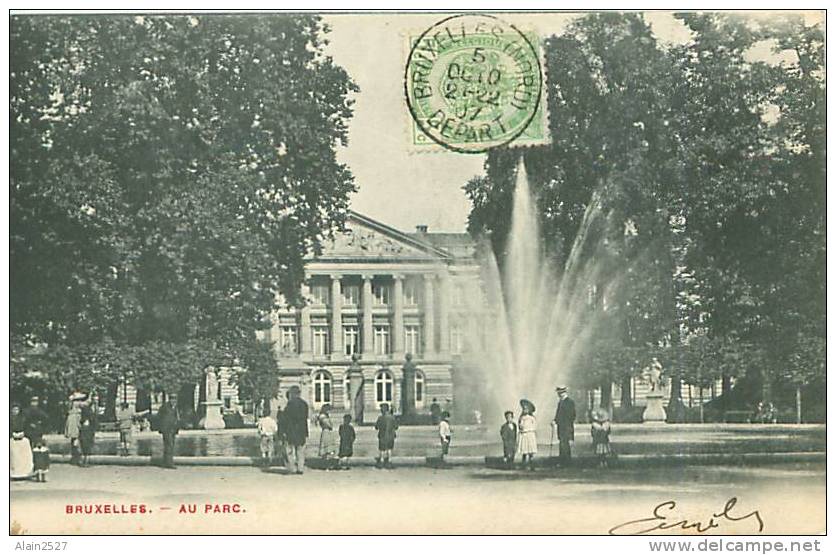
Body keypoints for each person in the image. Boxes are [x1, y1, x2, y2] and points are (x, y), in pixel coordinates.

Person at [283, 385, 309, 475]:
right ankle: (300, 468)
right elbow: (305, 419)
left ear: (292, 394)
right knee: (300, 450)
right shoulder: (304, 404)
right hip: (301, 431)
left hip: (291, 431)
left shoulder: (289, 405)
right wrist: (306, 432)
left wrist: (283, 431)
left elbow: (285, 419)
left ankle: (292, 468)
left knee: (290, 450)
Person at [553, 386, 576, 466]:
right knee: (562, 443)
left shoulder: (570, 402)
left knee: (565, 443)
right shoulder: (560, 402)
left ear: (563, 393)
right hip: (561, 426)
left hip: (567, 426)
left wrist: (565, 422)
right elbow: (558, 414)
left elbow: (572, 415)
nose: (559, 395)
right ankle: (563, 460)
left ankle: (566, 461)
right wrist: (555, 421)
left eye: (560, 393)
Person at [156, 395, 180, 469]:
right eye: (173, 399)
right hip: (166, 429)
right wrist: (161, 428)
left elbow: (176, 418)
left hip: (172, 429)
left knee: (169, 446)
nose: (174, 401)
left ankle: (166, 462)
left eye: (175, 400)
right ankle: (169, 463)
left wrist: (177, 428)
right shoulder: (165, 407)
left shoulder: (175, 407)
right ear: (170, 399)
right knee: (169, 445)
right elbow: (159, 417)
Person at [374, 403, 398, 469]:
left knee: (382, 449)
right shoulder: (392, 417)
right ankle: (389, 461)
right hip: (390, 436)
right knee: (389, 449)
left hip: (382, 435)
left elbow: (376, 427)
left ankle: (381, 462)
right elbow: (396, 427)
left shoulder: (380, 418)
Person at [64, 393, 85, 465]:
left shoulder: (70, 405)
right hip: (74, 422)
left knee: (73, 440)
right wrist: (91, 396)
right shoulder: (76, 404)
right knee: (76, 439)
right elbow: (86, 404)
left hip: (71, 422)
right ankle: (79, 458)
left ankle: (74, 458)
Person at [517, 399, 537, 471]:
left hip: (530, 434)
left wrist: (531, 430)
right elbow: (520, 425)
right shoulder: (522, 418)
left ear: (529, 410)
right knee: (524, 450)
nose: (525, 410)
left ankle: (532, 464)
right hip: (524, 434)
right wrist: (521, 427)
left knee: (530, 450)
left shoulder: (532, 418)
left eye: (526, 409)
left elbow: (534, 426)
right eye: (524, 409)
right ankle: (523, 464)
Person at [317, 404, 338, 470]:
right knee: (327, 449)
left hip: (328, 432)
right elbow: (329, 425)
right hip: (326, 432)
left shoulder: (324, 416)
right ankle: (326, 465)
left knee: (329, 449)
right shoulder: (323, 416)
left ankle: (328, 464)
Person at [79, 401, 97, 467]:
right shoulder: (89, 412)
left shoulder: (84, 412)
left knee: (84, 445)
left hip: (85, 429)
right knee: (87, 445)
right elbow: (93, 420)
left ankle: (84, 461)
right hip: (88, 430)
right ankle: (86, 461)